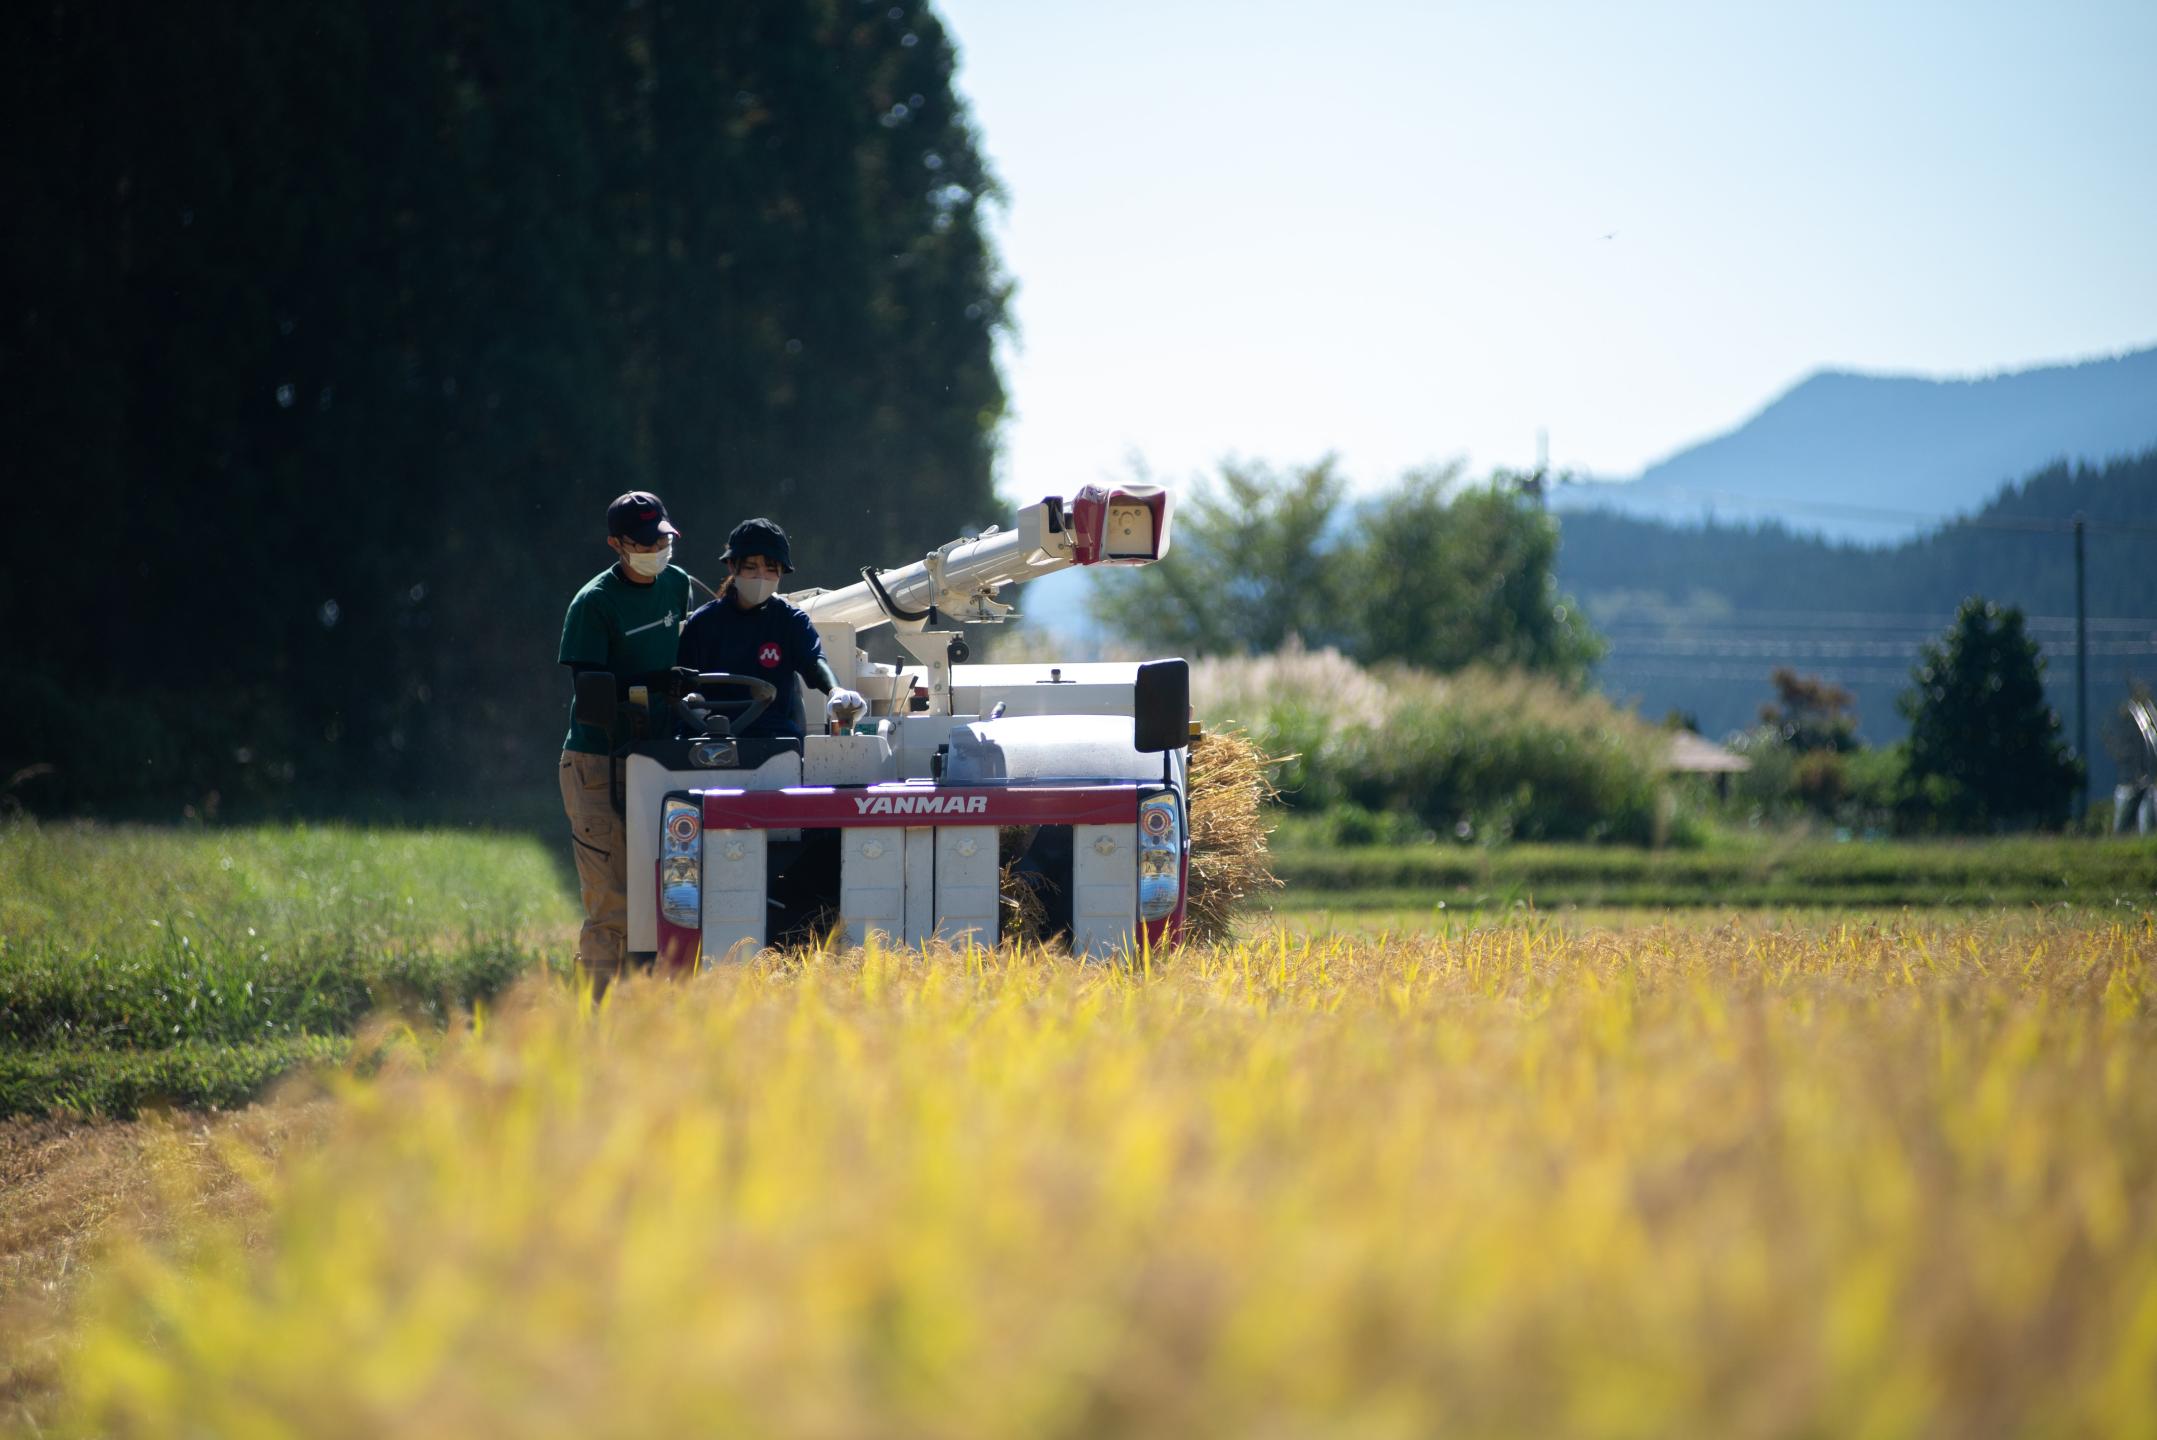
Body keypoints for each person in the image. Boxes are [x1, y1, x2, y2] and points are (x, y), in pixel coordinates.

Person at [556, 490, 691, 993]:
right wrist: (656, 684)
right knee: (614, 910)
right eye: (644, 541)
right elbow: (591, 697)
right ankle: (594, 1023)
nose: (657, 548)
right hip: (600, 765)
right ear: (616, 543)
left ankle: (648, 1023)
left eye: (662, 538)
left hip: (661, 760)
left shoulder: (676, 585)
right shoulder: (594, 604)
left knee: (671, 902)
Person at [677, 517, 864, 739]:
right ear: (731, 565)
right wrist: (691, 704)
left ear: (781, 572)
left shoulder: (790, 620)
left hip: (774, 736)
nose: (761, 576)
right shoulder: (702, 622)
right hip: (707, 735)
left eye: (770, 569)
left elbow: (813, 662)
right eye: (750, 567)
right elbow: (683, 681)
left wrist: (836, 691)